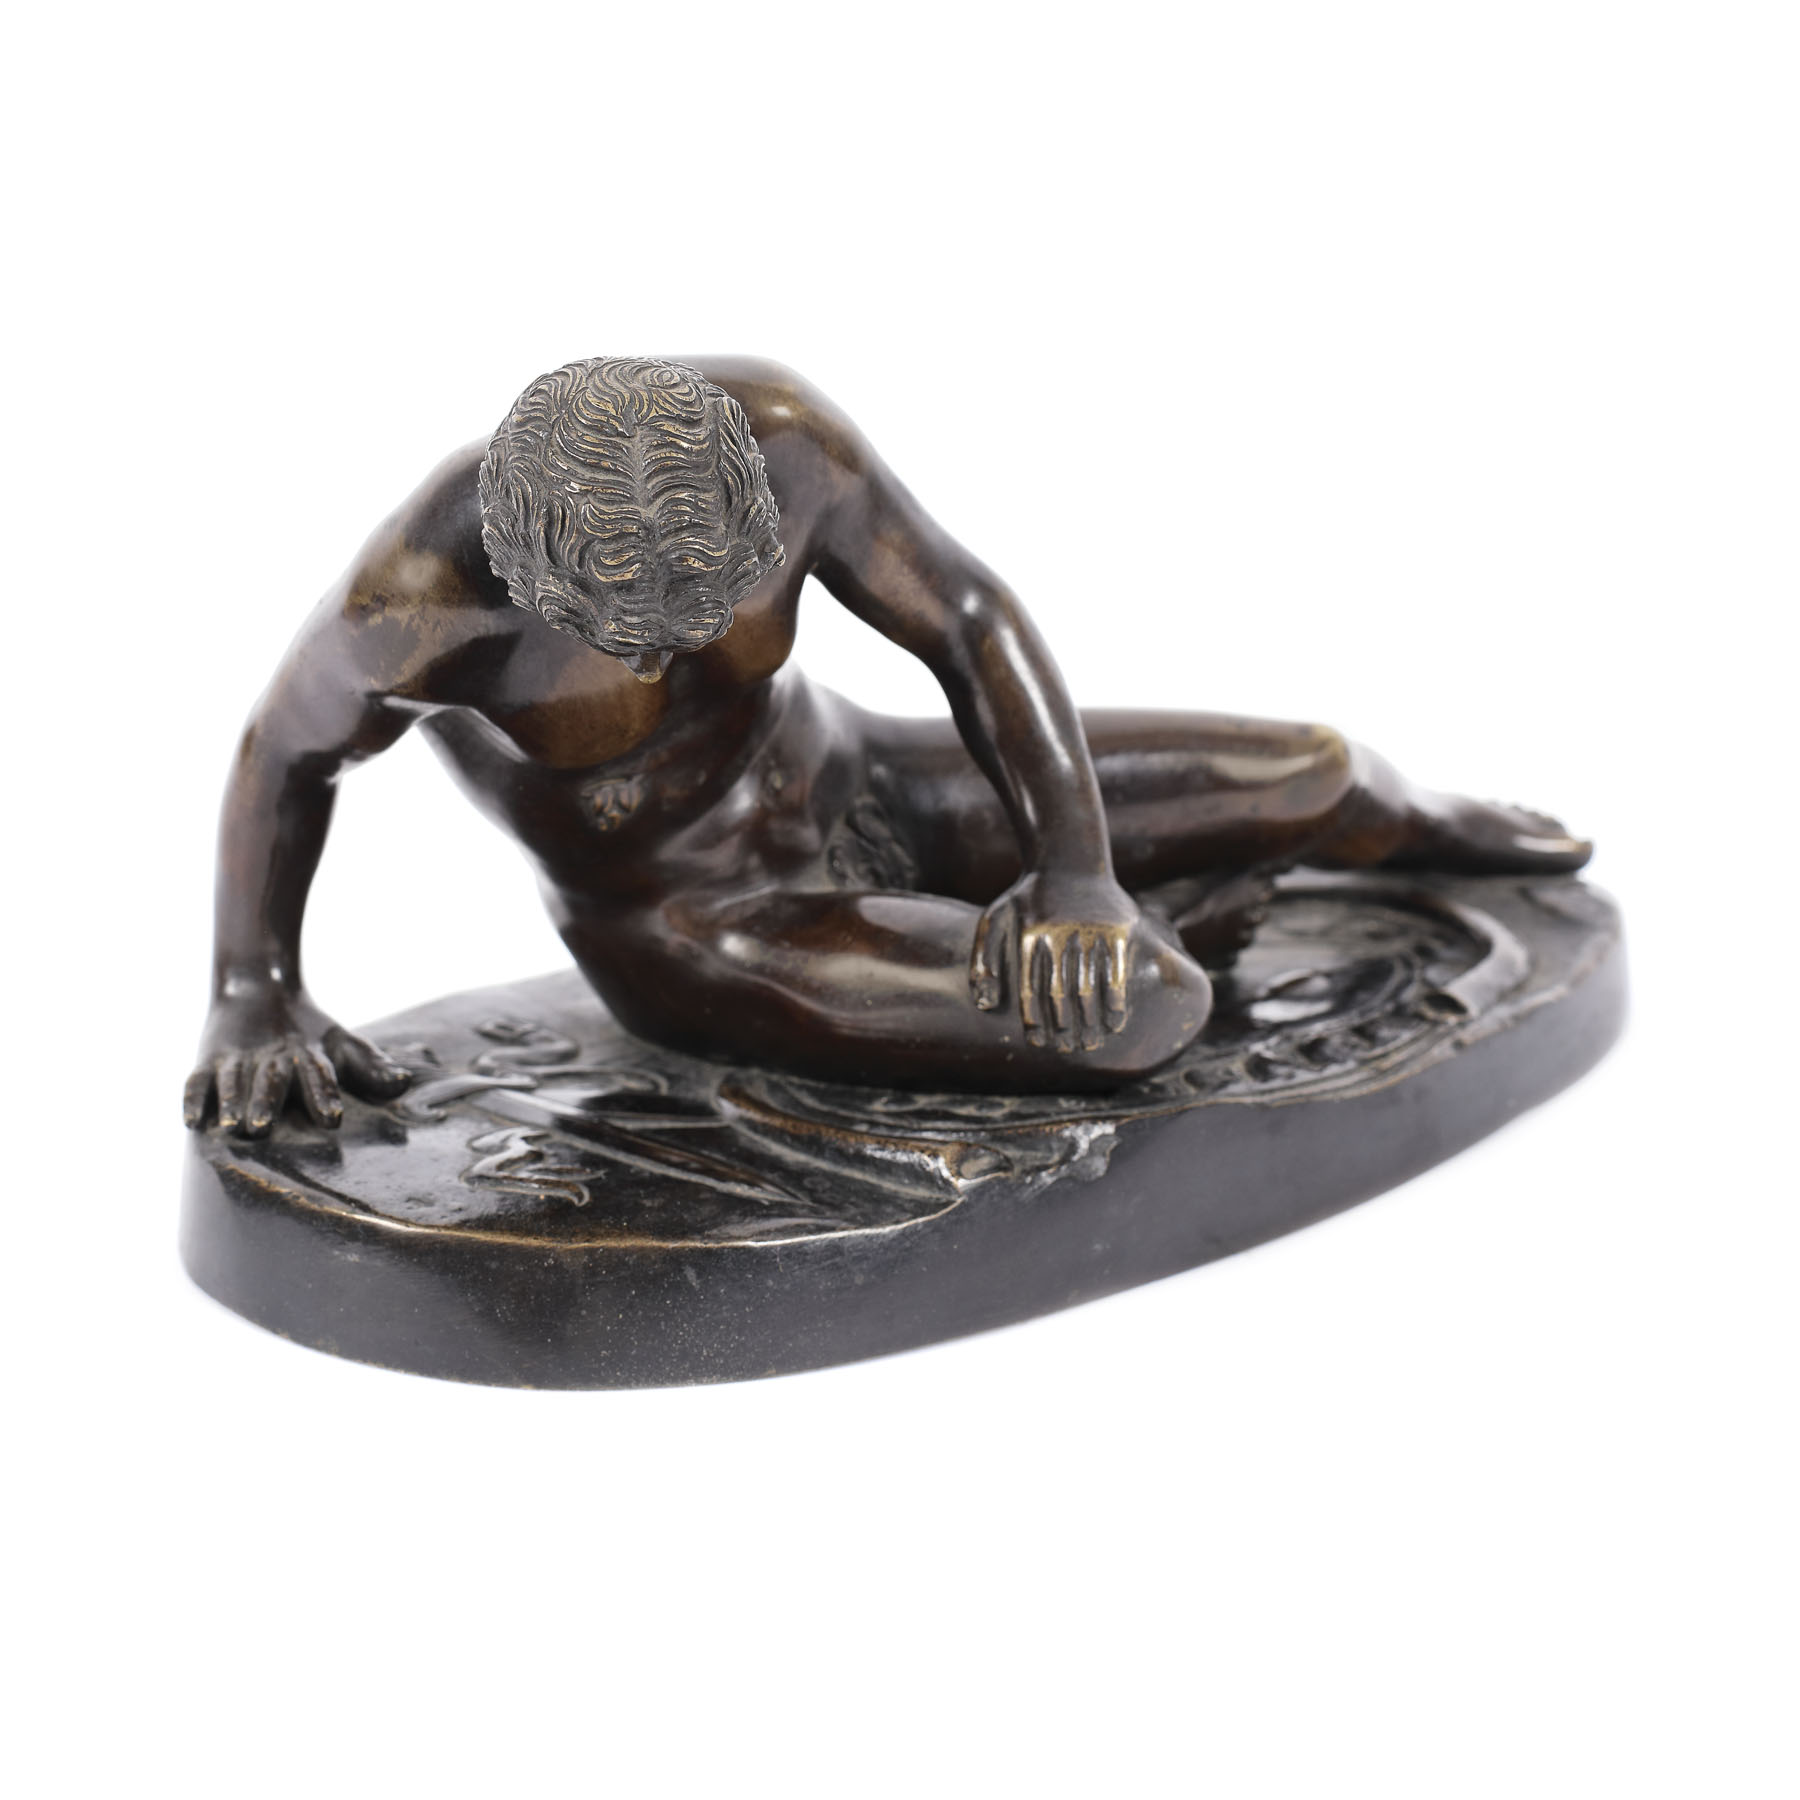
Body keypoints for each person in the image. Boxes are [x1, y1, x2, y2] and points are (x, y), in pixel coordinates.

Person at [185, 356, 1590, 1137]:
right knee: (1143, 1009)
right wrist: (255, 989)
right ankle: (1167, 929)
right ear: (537, 577)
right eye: (640, 638)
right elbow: (282, 757)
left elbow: (966, 620)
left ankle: (1413, 829)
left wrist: (1076, 868)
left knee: (1316, 770)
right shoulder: (416, 604)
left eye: (716, 610)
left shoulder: (786, 441)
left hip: (867, 780)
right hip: (706, 922)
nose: (683, 655)